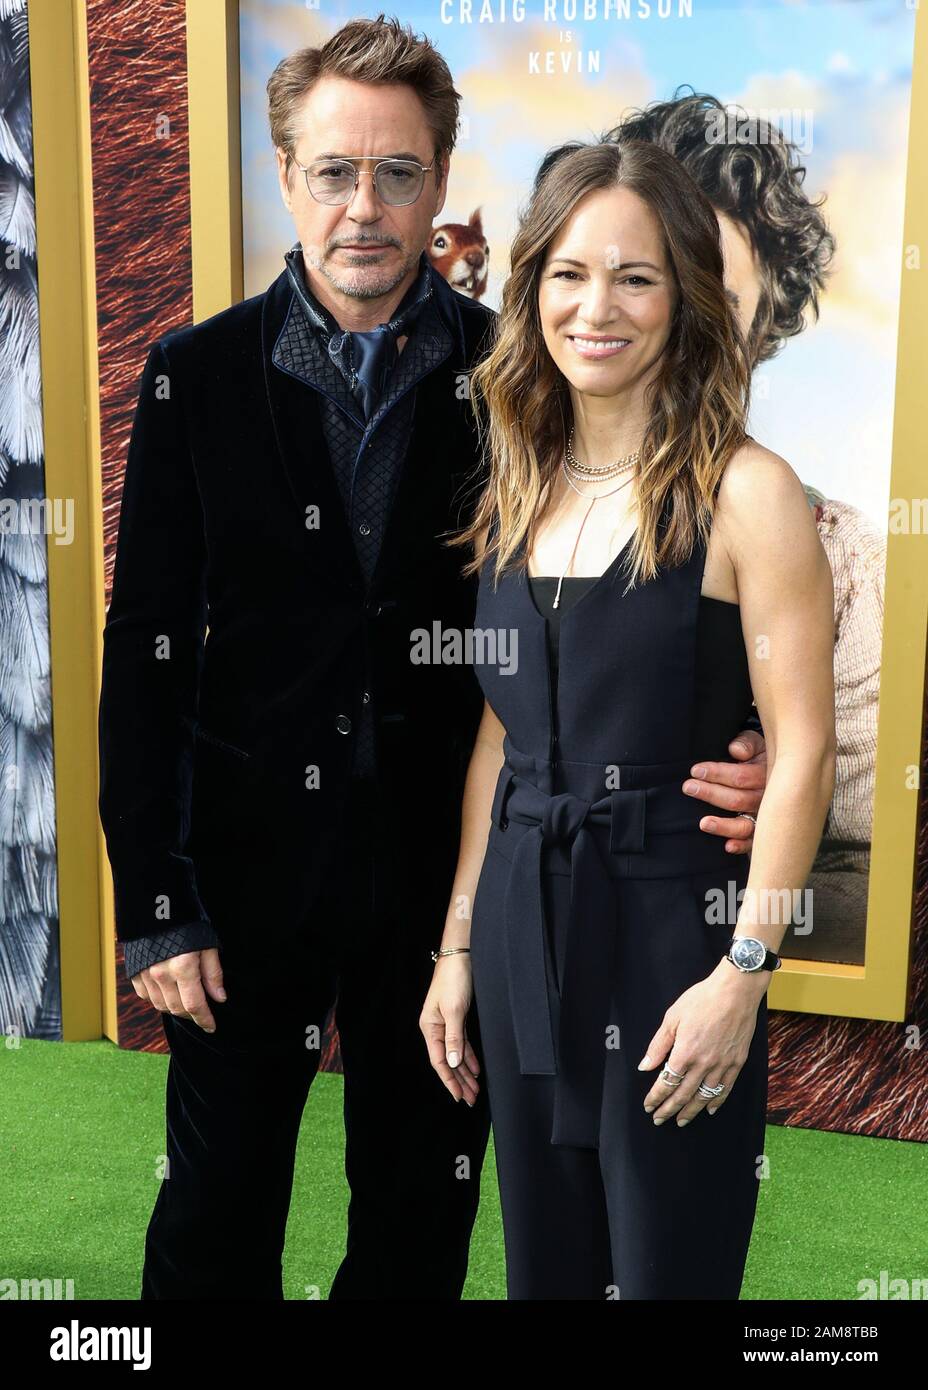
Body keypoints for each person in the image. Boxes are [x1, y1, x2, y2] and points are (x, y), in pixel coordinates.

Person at [98, 18, 768, 1300]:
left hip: (453, 890)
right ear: (286, 175)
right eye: (334, 171)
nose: (365, 207)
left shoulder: (520, 375)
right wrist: (156, 901)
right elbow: (147, 655)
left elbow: (645, 569)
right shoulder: (196, 376)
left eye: (398, 173)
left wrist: (735, 743)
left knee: (418, 1220)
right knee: (213, 1212)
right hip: (244, 886)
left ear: (440, 182)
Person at [422, 137, 836, 1299]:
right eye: (567, 273)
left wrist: (742, 973)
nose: (594, 307)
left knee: (666, 1268)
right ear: (531, 288)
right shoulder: (516, 472)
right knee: (544, 1269)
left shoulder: (749, 490)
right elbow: (499, 741)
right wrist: (456, 949)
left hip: (672, 935)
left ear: (685, 297)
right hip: (519, 923)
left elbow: (802, 748)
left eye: (634, 276)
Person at [542, 91, 884, 963]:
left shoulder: (838, 549)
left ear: (767, 322)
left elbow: (883, 773)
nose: (662, 326)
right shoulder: (529, 488)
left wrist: (795, 782)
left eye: (715, 301)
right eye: (652, 278)